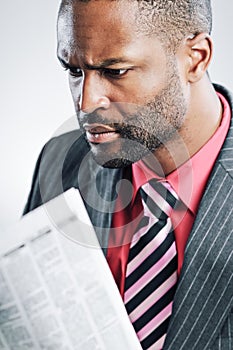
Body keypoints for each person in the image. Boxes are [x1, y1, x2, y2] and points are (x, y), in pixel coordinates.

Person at [24, 0, 233, 349]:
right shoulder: (60, 162)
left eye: (115, 71)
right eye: (74, 71)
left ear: (195, 57)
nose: (86, 102)